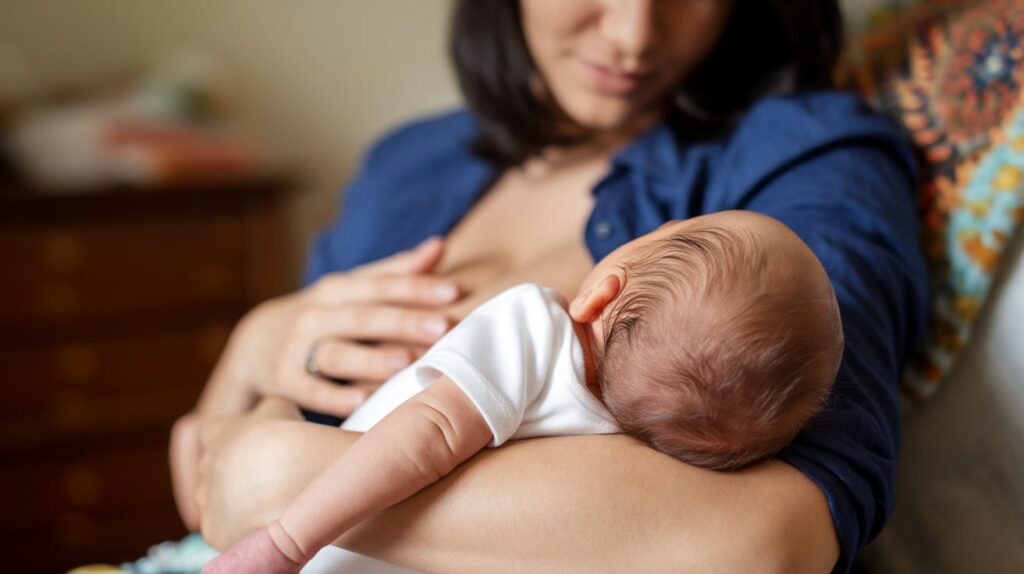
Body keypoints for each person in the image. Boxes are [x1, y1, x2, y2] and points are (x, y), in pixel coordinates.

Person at [177, 1, 928, 572]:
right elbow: (210, 499)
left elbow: (765, 542)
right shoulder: (408, 165)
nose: (634, 34)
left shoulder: (806, 162)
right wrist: (252, 349)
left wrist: (294, 484)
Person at [199, 211, 844, 573]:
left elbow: (428, 435)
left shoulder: (535, 330)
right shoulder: (639, 464)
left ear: (602, 293)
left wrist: (284, 540)